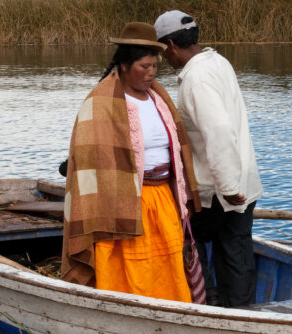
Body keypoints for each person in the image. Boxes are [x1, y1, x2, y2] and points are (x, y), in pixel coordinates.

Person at [60, 22, 203, 303]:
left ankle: (172, 310)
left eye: (155, 66)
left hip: (162, 198)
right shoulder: (101, 101)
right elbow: (88, 158)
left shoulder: (159, 97)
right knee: (131, 265)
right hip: (122, 202)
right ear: (124, 65)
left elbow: (179, 148)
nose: (151, 73)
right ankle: (123, 311)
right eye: (144, 66)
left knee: (167, 264)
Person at [154, 10, 263, 307]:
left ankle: (209, 301)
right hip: (242, 178)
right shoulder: (218, 62)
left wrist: (227, 187)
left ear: (171, 45)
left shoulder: (196, 79)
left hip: (220, 188)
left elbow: (218, 130)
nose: (164, 60)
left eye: (163, 52)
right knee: (236, 250)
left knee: (188, 237)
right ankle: (242, 312)